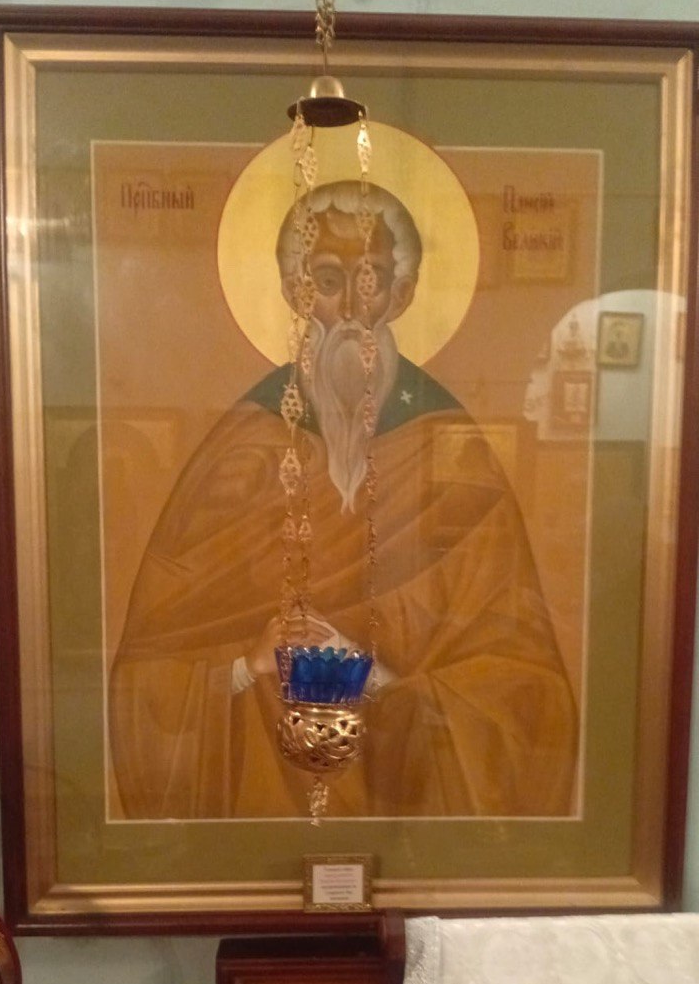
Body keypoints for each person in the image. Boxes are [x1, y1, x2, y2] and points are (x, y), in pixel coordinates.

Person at [109, 180, 577, 819]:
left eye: (371, 280)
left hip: (406, 802)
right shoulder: (242, 447)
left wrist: (379, 679)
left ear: (402, 294)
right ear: (293, 291)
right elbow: (146, 675)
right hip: (258, 804)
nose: (353, 307)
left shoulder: (452, 451)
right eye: (328, 281)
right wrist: (245, 666)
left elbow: (528, 692)